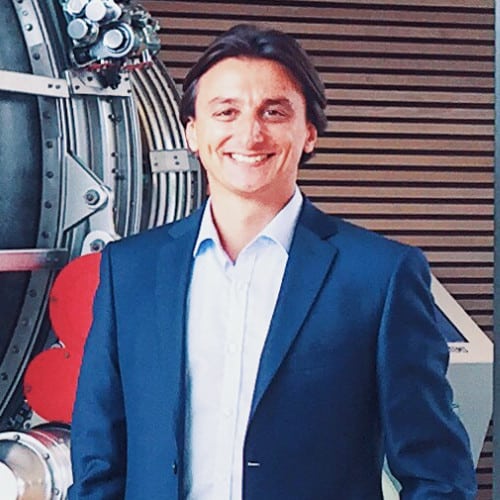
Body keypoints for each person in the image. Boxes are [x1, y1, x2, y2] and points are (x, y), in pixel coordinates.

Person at [69, 24, 477, 499]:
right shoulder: (130, 271)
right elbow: (99, 461)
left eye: (274, 111)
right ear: (193, 132)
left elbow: (437, 472)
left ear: (309, 133)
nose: (250, 133)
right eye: (226, 112)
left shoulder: (379, 276)